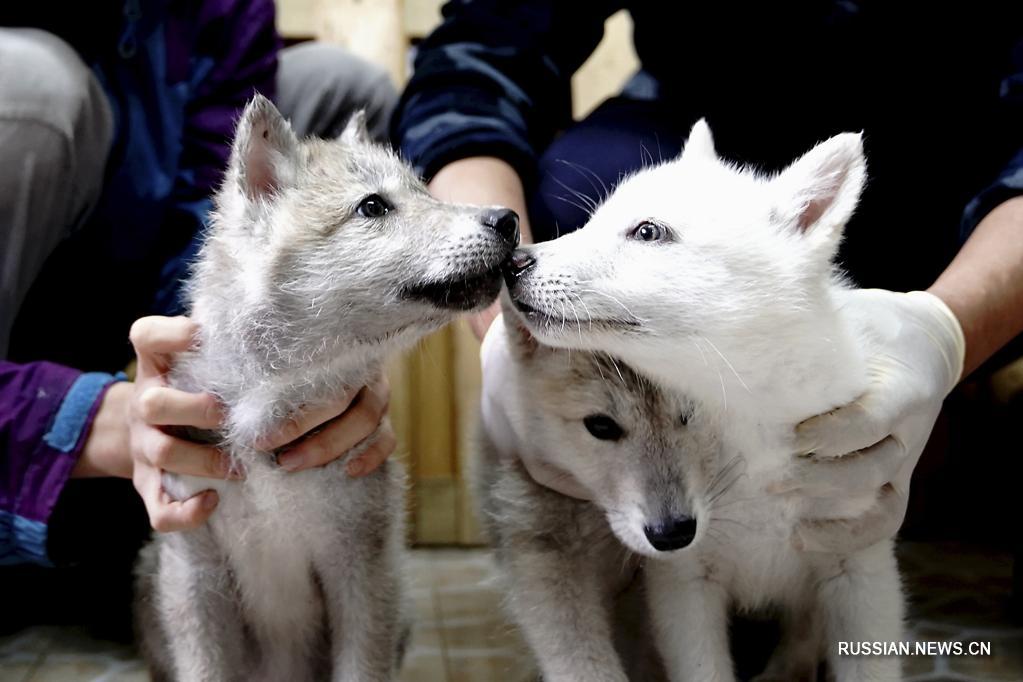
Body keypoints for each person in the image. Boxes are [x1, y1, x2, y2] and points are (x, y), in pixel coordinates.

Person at [393, 1, 1023, 553]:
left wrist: (947, 328)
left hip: (959, 177)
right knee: (573, 186)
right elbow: (478, 60)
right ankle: (645, 549)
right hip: (690, 119)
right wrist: (506, 321)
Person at [0, 0, 398, 635]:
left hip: (139, 324)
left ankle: (188, 515)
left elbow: (208, 215)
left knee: (337, 89)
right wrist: (86, 422)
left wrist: (290, 363)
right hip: (30, 374)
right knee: (25, 88)